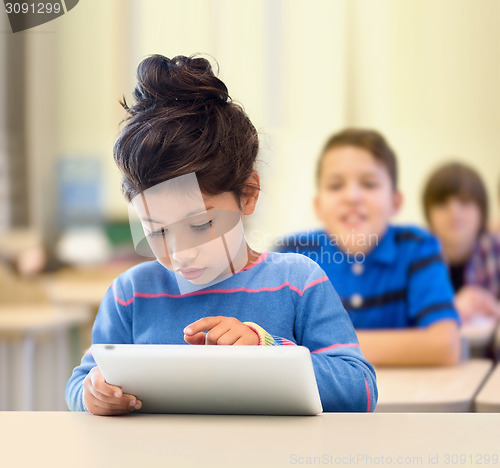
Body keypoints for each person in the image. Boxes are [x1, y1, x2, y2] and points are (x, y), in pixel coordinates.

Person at [65, 55, 377, 415]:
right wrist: (92, 396)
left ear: (247, 194)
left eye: (200, 225)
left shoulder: (297, 283)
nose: (181, 253)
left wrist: (267, 351)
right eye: (157, 231)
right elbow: (83, 381)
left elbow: (360, 389)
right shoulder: (131, 295)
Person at [276, 128, 461, 366]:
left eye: (369, 184)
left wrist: (318, 347)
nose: (352, 196)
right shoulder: (292, 254)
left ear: (395, 202)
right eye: (335, 186)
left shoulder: (417, 248)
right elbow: (269, 348)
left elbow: (444, 346)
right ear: (318, 205)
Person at [423, 162, 500, 323]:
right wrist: (450, 309)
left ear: (482, 210)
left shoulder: (495, 249)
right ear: (428, 213)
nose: (454, 212)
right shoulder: (418, 255)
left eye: (465, 202)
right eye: (442, 203)